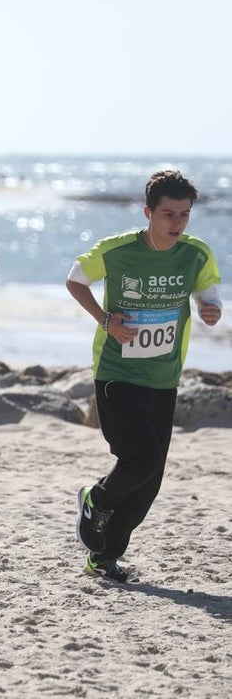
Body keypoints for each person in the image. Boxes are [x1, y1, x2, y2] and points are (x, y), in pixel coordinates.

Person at [68, 170, 222, 583]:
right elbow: (75, 279)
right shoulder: (117, 251)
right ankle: (95, 499)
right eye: (168, 214)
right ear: (148, 213)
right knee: (141, 459)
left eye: (184, 214)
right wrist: (105, 320)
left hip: (163, 377)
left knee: (150, 479)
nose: (177, 223)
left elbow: (208, 291)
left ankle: (103, 557)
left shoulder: (196, 253)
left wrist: (211, 308)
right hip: (117, 371)